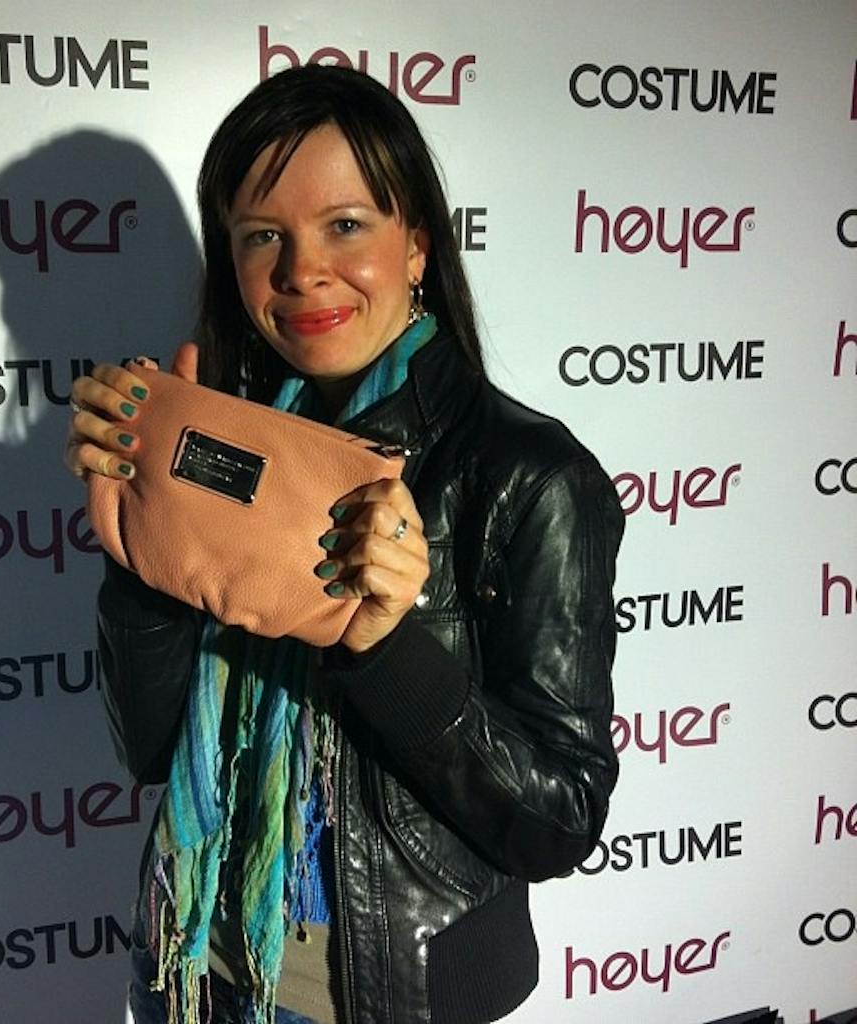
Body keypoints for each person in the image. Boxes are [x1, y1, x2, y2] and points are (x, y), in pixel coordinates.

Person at [65, 64, 624, 1024]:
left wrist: (385, 646)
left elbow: (558, 822)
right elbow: (152, 750)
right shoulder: (219, 442)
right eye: (262, 236)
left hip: (374, 998)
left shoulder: (530, 474)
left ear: (418, 245)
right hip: (187, 969)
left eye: (347, 225)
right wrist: (142, 546)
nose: (302, 271)